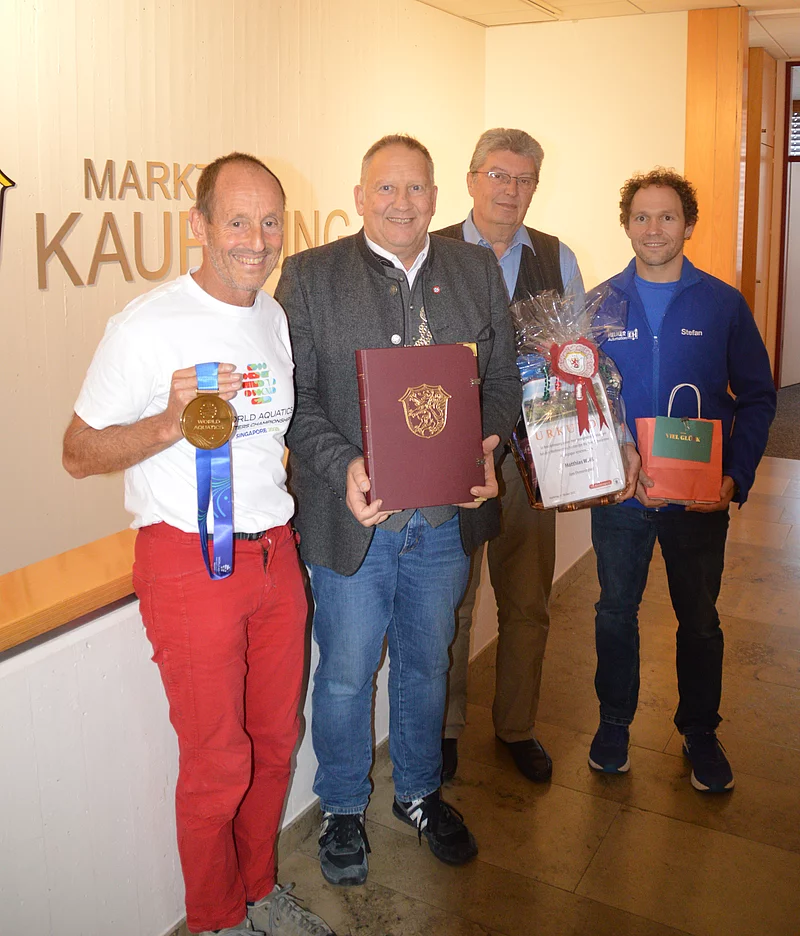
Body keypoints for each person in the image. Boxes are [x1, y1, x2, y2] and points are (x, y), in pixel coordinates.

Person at [62, 154, 334, 936]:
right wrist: (163, 427)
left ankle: (256, 891)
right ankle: (215, 921)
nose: (257, 239)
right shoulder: (144, 326)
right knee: (218, 762)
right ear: (200, 226)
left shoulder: (271, 316)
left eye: (270, 220)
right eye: (238, 220)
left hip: (275, 554)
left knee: (276, 741)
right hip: (190, 562)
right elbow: (77, 451)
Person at [275, 134, 521, 887]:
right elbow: (295, 401)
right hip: (352, 523)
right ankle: (344, 806)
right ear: (358, 197)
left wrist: (488, 451)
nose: (401, 203)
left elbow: (506, 382)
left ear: (437, 199)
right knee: (347, 673)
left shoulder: (477, 271)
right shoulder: (310, 277)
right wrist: (343, 464)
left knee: (426, 664)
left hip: (444, 523)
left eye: (416, 189)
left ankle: (417, 792)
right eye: (386, 189)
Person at [588, 168, 776, 792]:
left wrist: (737, 475)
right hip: (623, 494)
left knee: (698, 617)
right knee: (616, 611)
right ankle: (614, 722)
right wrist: (607, 456)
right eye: (641, 216)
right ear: (627, 225)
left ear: (689, 225)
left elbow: (756, 396)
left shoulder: (722, 303)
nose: (653, 228)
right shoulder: (600, 303)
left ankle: (699, 730)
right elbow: (579, 398)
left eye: (667, 216)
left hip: (698, 499)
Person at [435, 128, 584, 784]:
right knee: (449, 600)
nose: (510, 190)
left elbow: (579, 358)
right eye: (498, 175)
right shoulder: (428, 251)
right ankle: (441, 731)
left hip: (532, 456)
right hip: (451, 456)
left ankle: (517, 726)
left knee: (527, 598)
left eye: (523, 180)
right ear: (471, 180)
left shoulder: (557, 257)